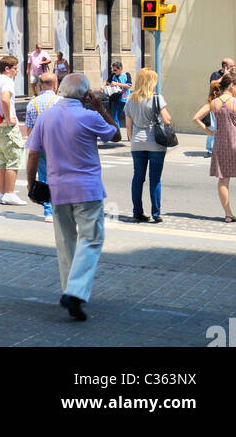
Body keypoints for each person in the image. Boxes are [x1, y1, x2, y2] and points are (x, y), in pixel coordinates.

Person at [26, 73, 120, 321]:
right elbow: (116, 134)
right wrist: (99, 106)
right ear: (85, 95)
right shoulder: (89, 116)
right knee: (91, 239)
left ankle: (70, 290)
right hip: (87, 190)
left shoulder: (46, 117)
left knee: (65, 242)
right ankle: (75, 293)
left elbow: (33, 153)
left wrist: (31, 184)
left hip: (58, 189)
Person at [191, 72, 236, 222]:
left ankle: (228, 214)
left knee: (223, 180)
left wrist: (210, 132)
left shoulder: (214, 103)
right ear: (232, 85)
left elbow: (195, 118)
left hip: (220, 144)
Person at [125, 67, 173, 222]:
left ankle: (137, 211)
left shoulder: (130, 99)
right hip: (155, 141)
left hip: (138, 141)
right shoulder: (157, 98)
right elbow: (167, 119)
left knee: (138, 178)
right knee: (155, 179)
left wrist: (133, 140)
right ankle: (156, 213)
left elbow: (128, 126)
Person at [0, 55, 25, 205]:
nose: (17, 71)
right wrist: (8, 118)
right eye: (15, 68)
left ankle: (2, 193)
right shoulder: (7, 81)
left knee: (3, 159)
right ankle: (9, 193)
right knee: (14, 158)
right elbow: (5, 99)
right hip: (7, 126)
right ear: (7, 69)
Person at [25, 70, 59, 219]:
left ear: (40, 85)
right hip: (58, 145)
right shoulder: (61, 102)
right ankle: (60, 209)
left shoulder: (32, 103)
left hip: (40, 145)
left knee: (44, 176)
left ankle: (48, 211)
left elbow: (29, 130)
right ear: (55, 84)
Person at [205, 57, 236, 155]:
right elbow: (214, 84)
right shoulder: (215, 75)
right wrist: (224, 76)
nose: (234, 68)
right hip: (215, 105)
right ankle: (210, 150)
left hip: (229, 105)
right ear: (225, 66)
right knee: (214, 127)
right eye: (232, 66)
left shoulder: (233, 77)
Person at [105, 60, 132, 129]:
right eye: (112, 70)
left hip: (125, 99)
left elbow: (129, 85)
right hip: (116, 98)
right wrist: (103, 87)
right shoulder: (113, 75)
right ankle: (117, 132)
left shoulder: (126, 75)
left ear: (120, 68)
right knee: (115, 117)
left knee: (128, 117)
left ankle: (130, 134)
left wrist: (117, 84)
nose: (113, 72)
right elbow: (107, 81)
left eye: (115, 70)